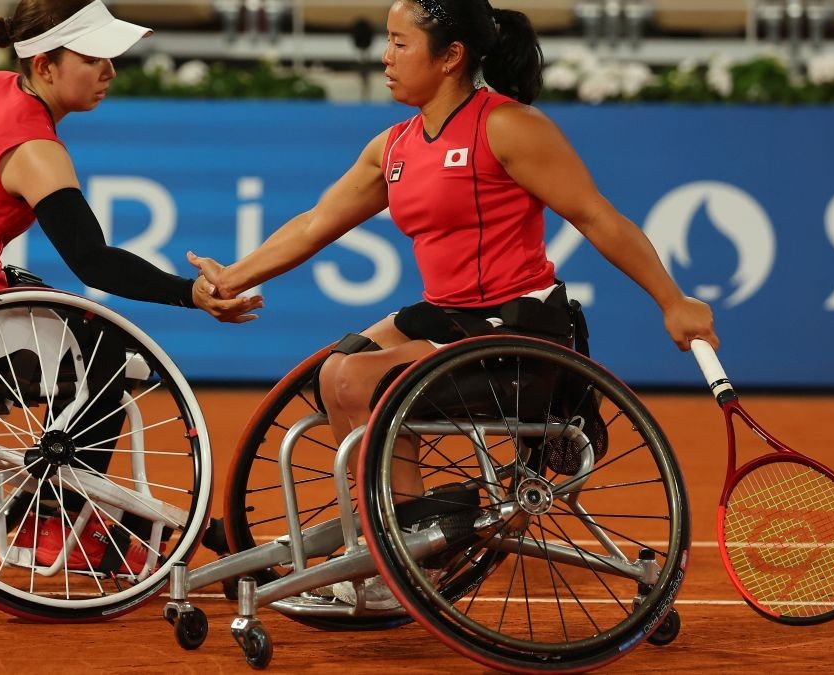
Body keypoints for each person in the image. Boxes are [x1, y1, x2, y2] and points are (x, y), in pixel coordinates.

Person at [188, 0, 718, 607]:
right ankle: (390, 534)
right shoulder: (395, 145)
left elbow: (596, 216)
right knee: (334, 374)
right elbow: (314, 224)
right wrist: (232, 277)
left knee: (359, 379)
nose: (384, 57)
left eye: (399, 43)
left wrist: (671, 300)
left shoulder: (507, 127)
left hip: (518, 326)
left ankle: (419, 558)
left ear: (451, 58)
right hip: (449, 315)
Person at [0, 0, 261, 324]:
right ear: (44, 66)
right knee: (104, 356)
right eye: (92, 59)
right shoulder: (37, 151)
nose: (110, 70)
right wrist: (188, 293)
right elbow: (92, 261)